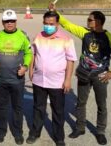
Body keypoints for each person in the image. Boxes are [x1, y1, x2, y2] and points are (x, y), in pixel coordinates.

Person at [49, 3, 111, 145]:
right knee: (81, 102)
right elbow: (67, 25)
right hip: (84, 74)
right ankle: (80, 128)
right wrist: (55, 13)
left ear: (98, 22)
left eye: (89, 19)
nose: (87, 21)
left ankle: (100, 131)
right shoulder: (84, 33)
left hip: (101, 76)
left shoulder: (110, 37)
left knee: (101, 105)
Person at [26, 11, 77, 146]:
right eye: (46, 23)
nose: (48, 26)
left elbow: (71, 60)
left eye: (51, 24)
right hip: (39, 80)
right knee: (38, 108)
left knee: (58, 110)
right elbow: (33, 54)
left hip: (57, 82)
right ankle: (35, 132)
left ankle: (59, 137)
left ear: (57, 24)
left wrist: (68, 80)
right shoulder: (38, 36)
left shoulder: (66, 39)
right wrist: (31, 70)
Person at [0, 9, 33, 145]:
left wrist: (26, 67)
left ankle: (18, 133)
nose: (9, 23)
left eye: (12, 21)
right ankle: (1, 131)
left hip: (17, 79)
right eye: (6, 21)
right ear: (2, 22)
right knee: (2, 107)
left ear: (16, 21)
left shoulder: (23, 35)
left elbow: (29, 53)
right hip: (1, 79)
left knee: (17, 107)